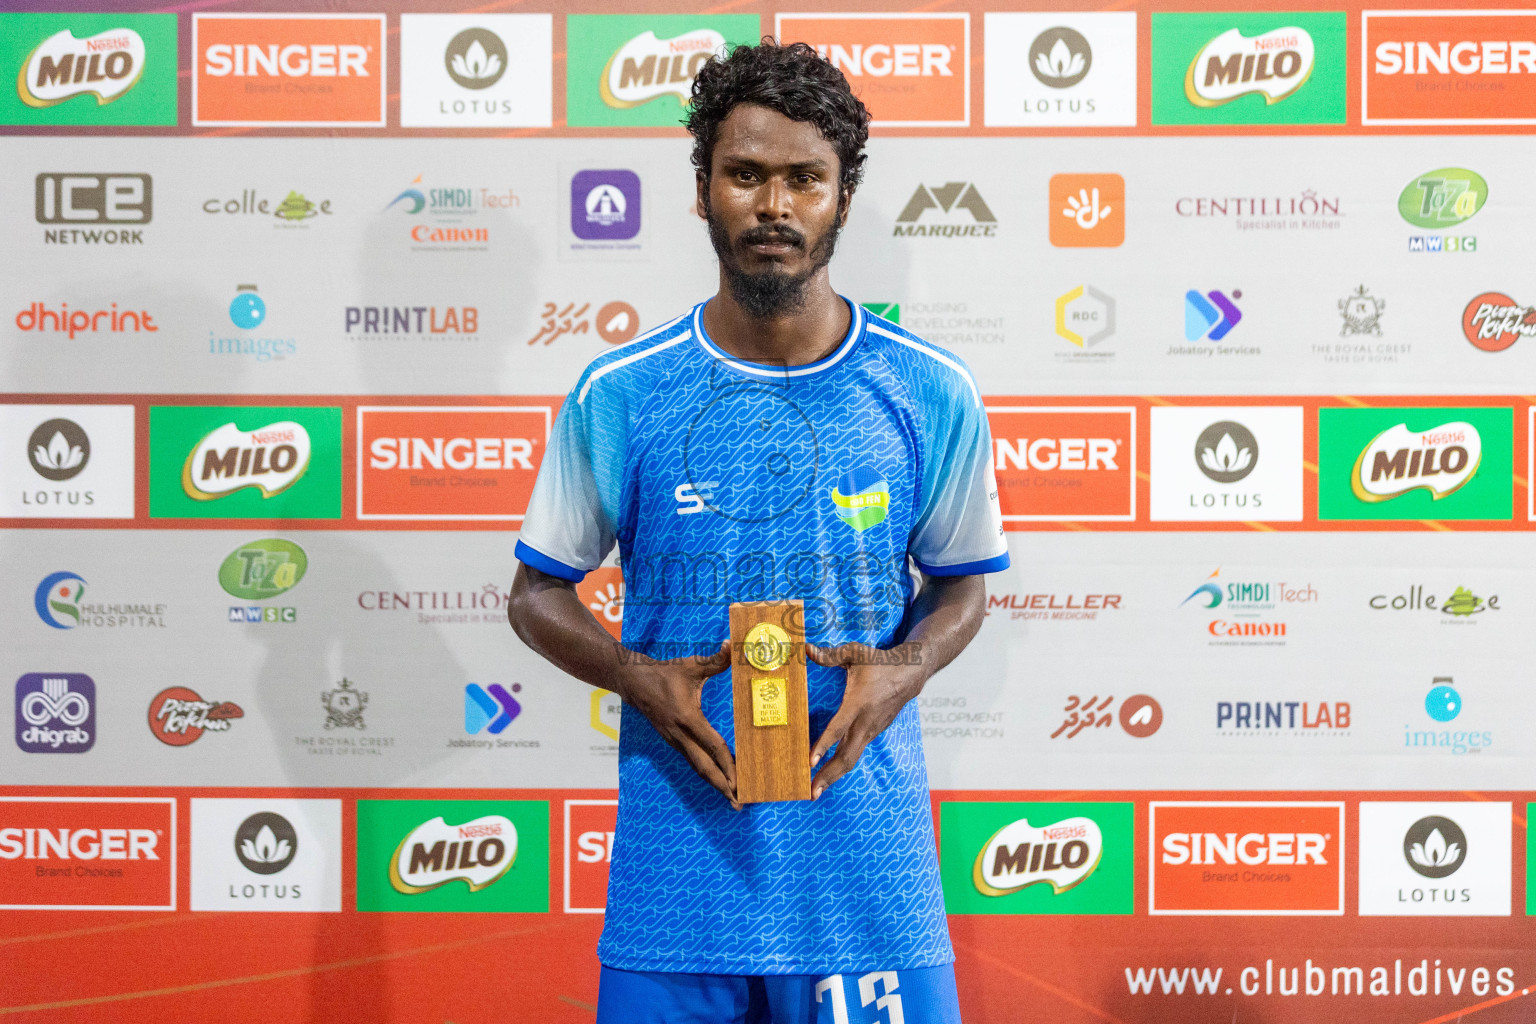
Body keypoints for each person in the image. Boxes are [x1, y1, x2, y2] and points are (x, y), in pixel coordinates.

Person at [507, 40, 1008, 1024]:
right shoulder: (625, 394)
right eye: (745, 174)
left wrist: (902, 664)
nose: (774, 205)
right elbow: (535, 594)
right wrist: (633, 673)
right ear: (702, 191)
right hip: (676, 886)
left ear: (843, 198)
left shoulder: (929, 390)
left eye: (804, 179)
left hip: (867, 885)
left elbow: (963, 586)